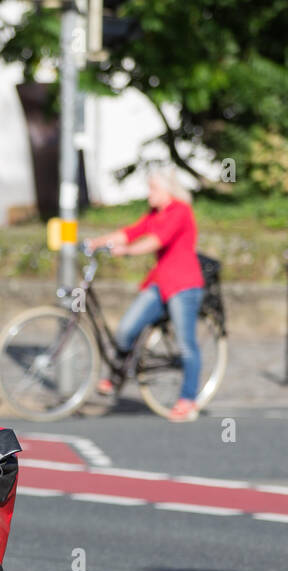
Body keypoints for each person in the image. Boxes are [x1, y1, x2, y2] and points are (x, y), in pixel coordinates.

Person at [87, 165, 205, 422]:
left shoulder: (180, 211)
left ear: (168, 190)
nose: (148, 193)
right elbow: (131, 232)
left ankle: (188, 399)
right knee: (126, 328)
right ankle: (117, 374)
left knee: (186, 344)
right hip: (160, 283)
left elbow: (156, 241)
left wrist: (126, 251)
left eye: (153, 188)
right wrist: (96, 242)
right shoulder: (156, 213)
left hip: (183, 285)